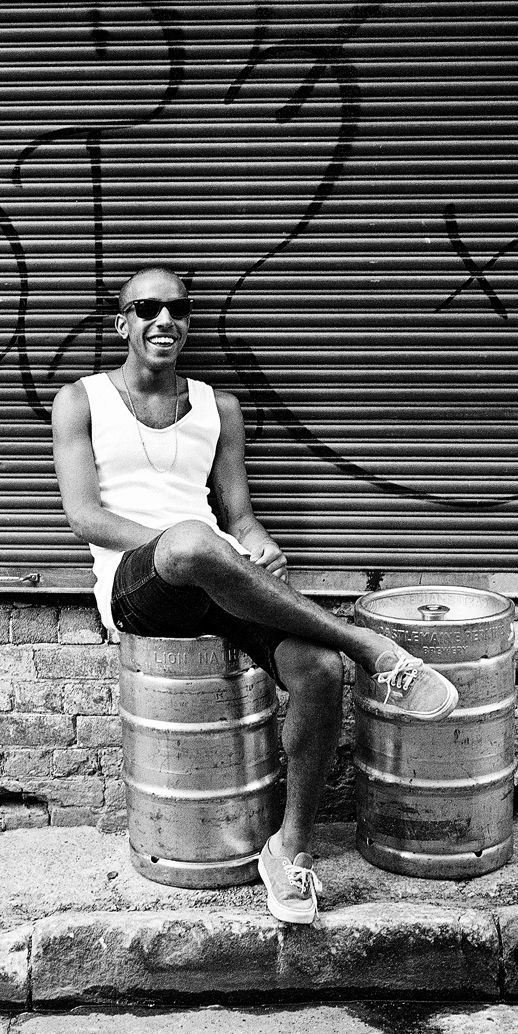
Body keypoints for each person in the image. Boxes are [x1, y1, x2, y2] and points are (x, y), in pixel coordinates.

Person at [50, 266, 458, 925]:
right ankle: (370, 646)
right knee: (190, 543)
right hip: (137, 585)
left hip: (216, 573)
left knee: (318, 669)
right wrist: (188, 545)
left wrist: (258, 546)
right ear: (121, 323)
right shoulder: (81, 400)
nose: (164, 320)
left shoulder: (220, 408)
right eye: (146, 308)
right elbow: (84, 517)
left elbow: (238, 520)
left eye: (178, 308)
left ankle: (288, 849)